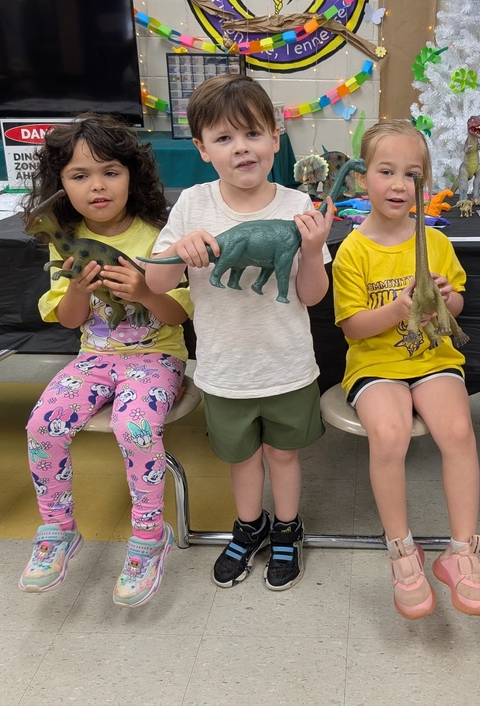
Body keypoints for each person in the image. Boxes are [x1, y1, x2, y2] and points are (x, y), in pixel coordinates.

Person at [144, 74, 333, 592]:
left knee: (285, 455)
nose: (241, 148)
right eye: (223, 138)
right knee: (243, 458)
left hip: (288, 364)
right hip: (225, 370)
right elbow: (156, 282)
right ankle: (250, 526)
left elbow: (313, 296)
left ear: (275, 136)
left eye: (251, 133)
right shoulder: (192, 205)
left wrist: (313, 250)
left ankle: (288, 529)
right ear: (203, 150)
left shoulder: (299, 205)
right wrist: (176, 251)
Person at [18, 113, 193, 608]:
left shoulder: (160, 235)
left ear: (131, 175)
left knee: (133, 426)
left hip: (156, 356)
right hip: (93, 358)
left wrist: (143, 289)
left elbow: (179, 315)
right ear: (60, 185)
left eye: (110, 171)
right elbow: (71, 320)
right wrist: (76, 286)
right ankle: (57, 528)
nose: (97, 186)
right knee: (42, 425)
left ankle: (148, 536)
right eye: (79, 175)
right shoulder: (65, 244)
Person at [331, 120, 480, 620]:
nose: (399, 185)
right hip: (376, 363)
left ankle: (462, 552)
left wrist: (451, 298)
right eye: (387, 172)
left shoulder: (437, 242)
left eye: (412, 174)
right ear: (363, 179)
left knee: (458, 430)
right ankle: (403, 551)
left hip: (433, 359)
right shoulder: (354, 250)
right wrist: (398, 310)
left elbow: (460, 304)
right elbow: (354, 328)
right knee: (390, 433)